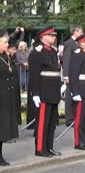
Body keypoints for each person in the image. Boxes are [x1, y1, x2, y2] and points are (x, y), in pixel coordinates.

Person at [28, 27, 62, 157]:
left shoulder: (53, 51)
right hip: (43, 92)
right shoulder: (37, 52)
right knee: (43, 122)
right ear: (43, 37)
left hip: (53, 91)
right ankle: (40, 148)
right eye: (51, 35)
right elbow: (34, 75)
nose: (54, 37)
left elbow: (56, 72)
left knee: (52, 122)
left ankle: (49, 147)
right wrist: (35, 93)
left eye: (54, 35)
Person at [0, 35, 20, 165]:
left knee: (3, 128)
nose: (7, 45)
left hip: (7, 96)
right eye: (5, 43)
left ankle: (0, 155)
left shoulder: (6, 57)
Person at [62, 25, 83, 128]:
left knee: (75, 95)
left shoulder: (76, 43)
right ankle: (69, 119)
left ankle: (74, 117)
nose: (82, 34)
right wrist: (66, 75)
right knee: (69, 96)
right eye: (80, 32)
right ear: (75, 32)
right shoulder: (69, 43)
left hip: (76, 74)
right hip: (70, 74)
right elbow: (67, 59)